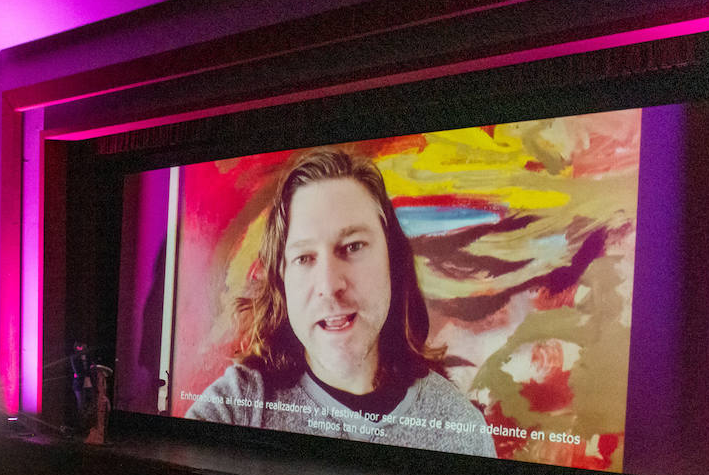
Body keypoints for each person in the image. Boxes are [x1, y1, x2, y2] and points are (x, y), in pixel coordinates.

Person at [186, 148, 494, 457]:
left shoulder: (461, 431)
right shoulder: (235, 410)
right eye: (304, 257)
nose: (330, 285)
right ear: (282, 282)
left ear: (393, 261)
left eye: (353, 246)